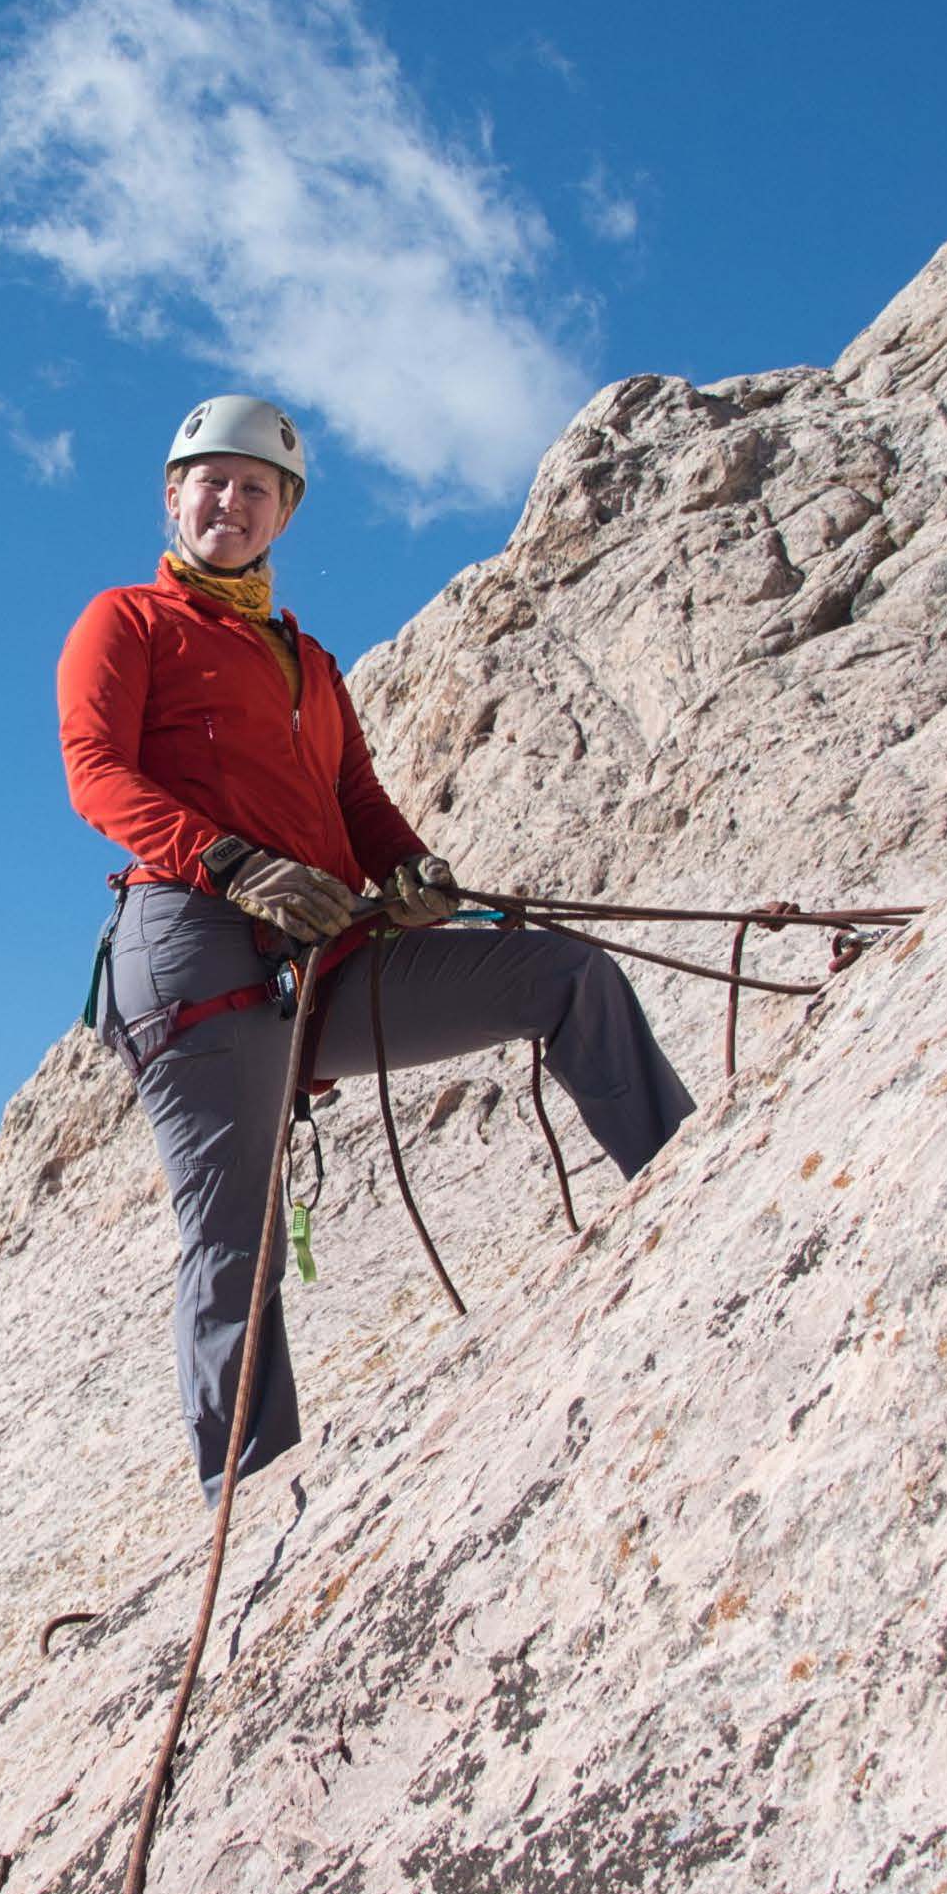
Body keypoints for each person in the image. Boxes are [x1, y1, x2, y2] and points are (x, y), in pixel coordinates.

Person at [60, 394, 696, 1507]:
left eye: (254, 488)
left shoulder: (307, 659)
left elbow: (353, 798)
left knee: (563, 975)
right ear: (172, 497)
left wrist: (410, 872)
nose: (229, 500)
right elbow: (96, 772)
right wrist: (222, 860)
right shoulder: (127, 621)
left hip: (322, 945)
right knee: (234, 1225)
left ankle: (696, 1180)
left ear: (283, 516)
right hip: (199, 944)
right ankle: (249, 1492)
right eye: (209, 481)